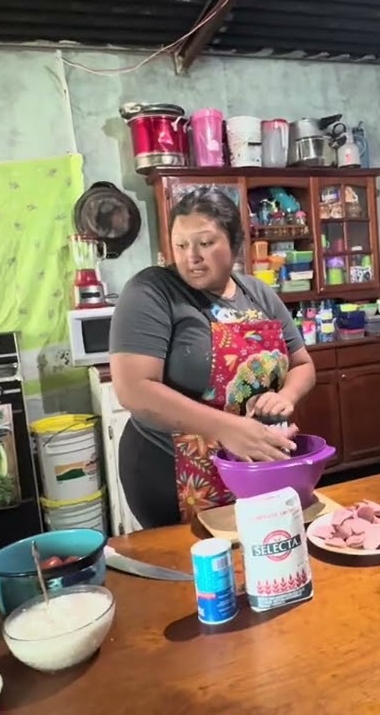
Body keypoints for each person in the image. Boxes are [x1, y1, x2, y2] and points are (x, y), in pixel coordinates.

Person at [110, 187, 316, 528]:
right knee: (197, 570)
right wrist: (228, 429)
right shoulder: (152, 291)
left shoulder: (258, 292)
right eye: (180, 244)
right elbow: (133, 389)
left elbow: (302, 364)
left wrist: (284, 397)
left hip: (252, 468)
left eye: (205, 243)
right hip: (174, 474)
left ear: (235, 243)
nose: (191, 256)